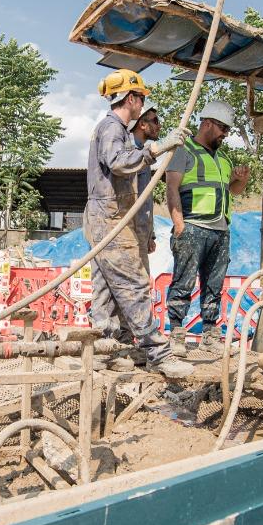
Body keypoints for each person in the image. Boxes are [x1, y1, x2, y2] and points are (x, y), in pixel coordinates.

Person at [85, 70, 190, 379]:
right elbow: (119, 163)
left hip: (107, 217)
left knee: (105, 288)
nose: (143, 105)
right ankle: (157, 352)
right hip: (111, 218)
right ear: (130, 98)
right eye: (141, 98)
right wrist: (155, 149)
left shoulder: (112, 129)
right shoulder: (112, 127)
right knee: (133, 285)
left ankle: (105, 349)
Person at [164, 101, 249, 354]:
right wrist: (179, 224)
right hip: (192, 226)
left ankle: (210, 334)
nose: (225, 134)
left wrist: (240, 181)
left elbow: (231, 191)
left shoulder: (223, 159)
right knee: (183, 281)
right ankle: (177, 334)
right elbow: (171, 188)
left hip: (220, 231)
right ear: (208, 123)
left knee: (214, 284)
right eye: (223, 128)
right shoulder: (182, 151)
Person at [91, 103, 161, 344]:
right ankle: (117, 343)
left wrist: (149, 234)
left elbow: (145, 199)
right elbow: (118, 167)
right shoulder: (127, 148)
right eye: (154, 120)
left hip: (134, 228)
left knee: (120, 285)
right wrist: (154, 151)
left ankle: (118, 343)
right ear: (142, 123)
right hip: (116, 225)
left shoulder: (138, 155)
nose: (158, 125)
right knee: (125, 285)